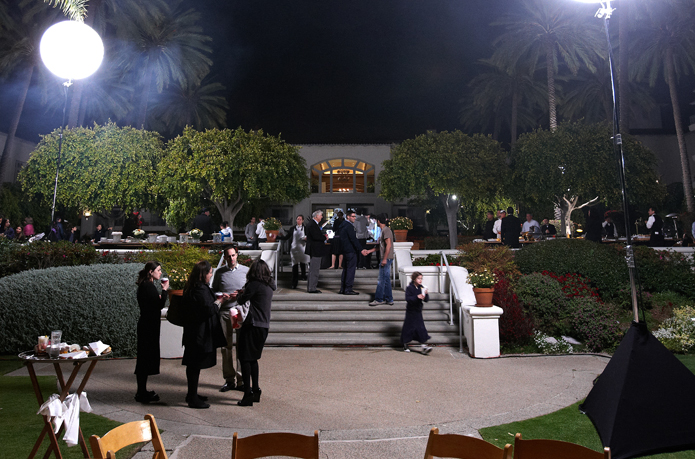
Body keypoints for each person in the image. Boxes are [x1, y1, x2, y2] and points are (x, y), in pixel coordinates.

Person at [182, 260, 229, 409]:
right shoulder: (200, 289)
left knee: (194, 365)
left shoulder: (194, 287)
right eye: (209, 273)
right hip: (199, 333)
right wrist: (220, 301)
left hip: (194, 332)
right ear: (203, 274)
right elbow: (208, 310)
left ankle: (192, 394)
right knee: (195, 365)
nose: (211, 275)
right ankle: (192, 398)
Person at [235, 259, 276, 406]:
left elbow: (241, 300)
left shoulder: (254, 284)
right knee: (253, 359)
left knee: (245, 358)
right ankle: (256, 389)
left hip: (252, 325)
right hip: (263, 326)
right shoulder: (269, 285)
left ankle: (248, 393)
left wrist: (239, 294)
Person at [212, 245, 250, 393]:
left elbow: (249, 291)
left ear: (237, 255)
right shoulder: (220, 272)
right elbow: (214, 290)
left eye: (233, 255)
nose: (231, 258)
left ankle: (241, 380)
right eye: (228, 256)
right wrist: (222, 296)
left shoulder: (246, 271)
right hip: (225, 312)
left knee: (242, 346)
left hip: (240, 311)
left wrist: (239, 295)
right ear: (225, 257)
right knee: (225, 347)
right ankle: (229, 380)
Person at [134, 261, 170, 404]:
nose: (160, 273)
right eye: (158, 270)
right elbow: (159, 305)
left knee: (144, 358)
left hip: (146, 325)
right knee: (145, 359)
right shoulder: (148, 286)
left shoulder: (145, 286)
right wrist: (165, 290)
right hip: (148, 326)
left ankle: (141, 391)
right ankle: (141, 392)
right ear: (151, 271)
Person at [401, 272, 432, 354]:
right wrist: (416, 297)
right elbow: (408, 298)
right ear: (414, 279)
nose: (420, 280)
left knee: (420, 327)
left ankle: (423, 345)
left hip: (418, 310)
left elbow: (426, 300)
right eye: (418, 278)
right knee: (408, 327)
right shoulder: (409, 288)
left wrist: (426, 294)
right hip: (411, 311)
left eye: (421, 278)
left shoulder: (422, 287)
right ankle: (405, 343)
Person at [367, 214, 394, 306]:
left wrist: (385, 259)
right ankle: (389, 299)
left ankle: (379, 299)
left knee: (381, 279)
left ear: (378, 221)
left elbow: (388, 245)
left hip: (386, 258)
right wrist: (369, 251)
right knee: (386, 279)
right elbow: (381, 247)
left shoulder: (386, 230)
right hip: (386, 258)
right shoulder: (384, 230)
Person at [339, 211, 368, 295]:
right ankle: (348, 289)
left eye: (355, 216)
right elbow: (353, 239)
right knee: (350, 270)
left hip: (345, 250)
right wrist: (361, 249)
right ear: (348, 217)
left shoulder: (342, 225)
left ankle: (343, 288)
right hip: (350, 250)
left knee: (346, 269)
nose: (354, 218)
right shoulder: (349, 226)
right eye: (353, 216)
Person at [279, 215, 309, 289]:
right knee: (294, 265)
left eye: (300, 219)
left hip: (302, 247)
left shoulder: (305, 228)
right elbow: (287, 237)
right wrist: (278, 237)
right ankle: (294, 283)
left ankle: (303, 275)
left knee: (303, 262)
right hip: (294, 248)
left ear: (303, 220)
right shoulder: (292, 228)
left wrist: (306, 239)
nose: (299, 220)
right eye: (298, 219)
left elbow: (309, 236)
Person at [305, 210, 328, 293]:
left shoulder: (312, 224)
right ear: (316, 216)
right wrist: (324, 237)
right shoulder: (312, 224)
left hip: (315, 249)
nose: (322, 217)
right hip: (315, 250)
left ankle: (311, 287)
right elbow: (316, 236)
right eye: (321, 215)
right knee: (314, 270)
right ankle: (312, 288)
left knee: (313, 269)